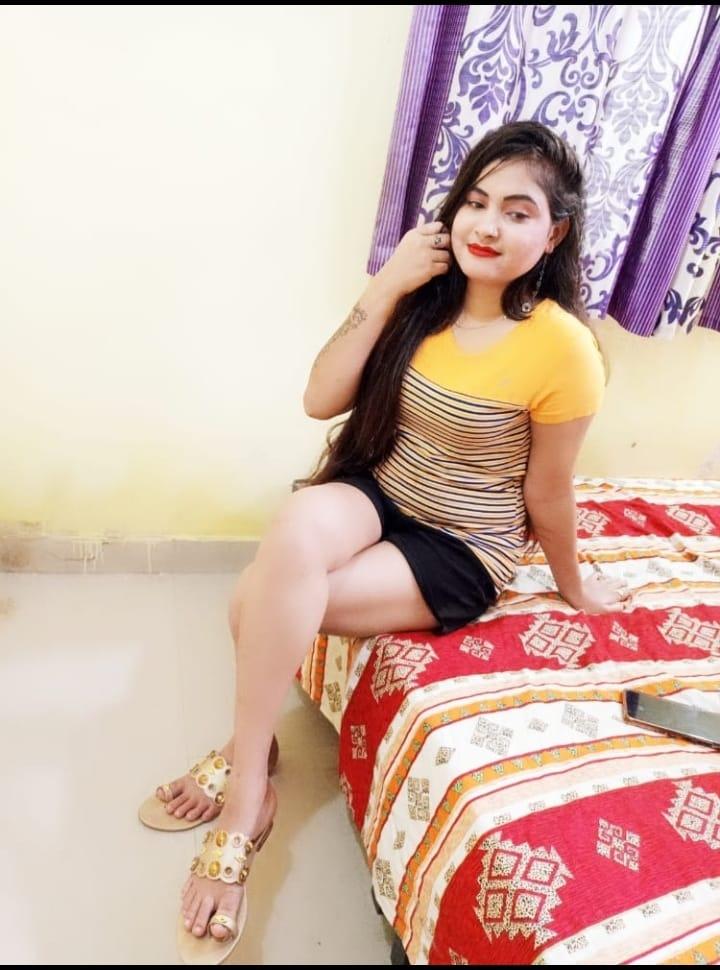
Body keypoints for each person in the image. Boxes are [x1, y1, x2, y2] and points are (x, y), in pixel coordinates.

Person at [145, 119, 631, 962]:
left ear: (553, 236)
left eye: (517, 212)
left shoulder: (564, 349)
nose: (487, 224)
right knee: (294, 533)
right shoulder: (424, 297)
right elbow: (319, 399)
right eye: (476, 201)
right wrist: (387, 284)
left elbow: (547, 491)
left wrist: (574, 581)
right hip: (384, 491)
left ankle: (244, 785)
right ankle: (254, 771)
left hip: (461, 542)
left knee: (259, 597)